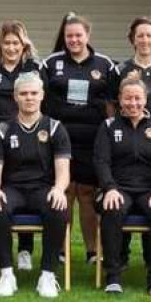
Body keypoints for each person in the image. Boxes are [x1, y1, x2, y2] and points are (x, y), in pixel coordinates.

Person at [0, 72, 70, 298]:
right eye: (23, 94)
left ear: (42, 95)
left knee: (59, 208)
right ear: (15, 97)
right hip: (13, 189)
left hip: (43, 188)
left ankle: (48, 275)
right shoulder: (1, 130)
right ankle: (6, 274)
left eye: (33, 93)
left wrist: (59, 189)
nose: (29, 98)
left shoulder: (55, 128)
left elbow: (63, 170)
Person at [0, 19, 46, 272]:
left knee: (27, 190)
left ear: (23, 44)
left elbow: (42, 102)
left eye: (16, 43)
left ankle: (25, 250)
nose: (11, 48)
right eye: (7, 43)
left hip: (30, 140)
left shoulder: (35, 69)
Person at [43, 13, 115, 264]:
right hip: (59, 140)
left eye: (78, 35)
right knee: (65, 192)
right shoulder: (51, 63)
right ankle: (60, 250)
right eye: (69, 36)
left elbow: (112, 103)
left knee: (86, 193)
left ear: (87, 36)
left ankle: (92, 251)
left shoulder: (105, 65)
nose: (73, 40)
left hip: (92, 140)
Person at [93, 78, 151, 297]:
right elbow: (101, 161)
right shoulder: (108, 126)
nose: (133, 103)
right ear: (119, 100)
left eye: (138, 98)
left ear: (146, 100)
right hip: (118, 188)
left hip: (150, 189)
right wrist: (109, 188)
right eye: (128, 98)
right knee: (112, 209)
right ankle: (113, 276)